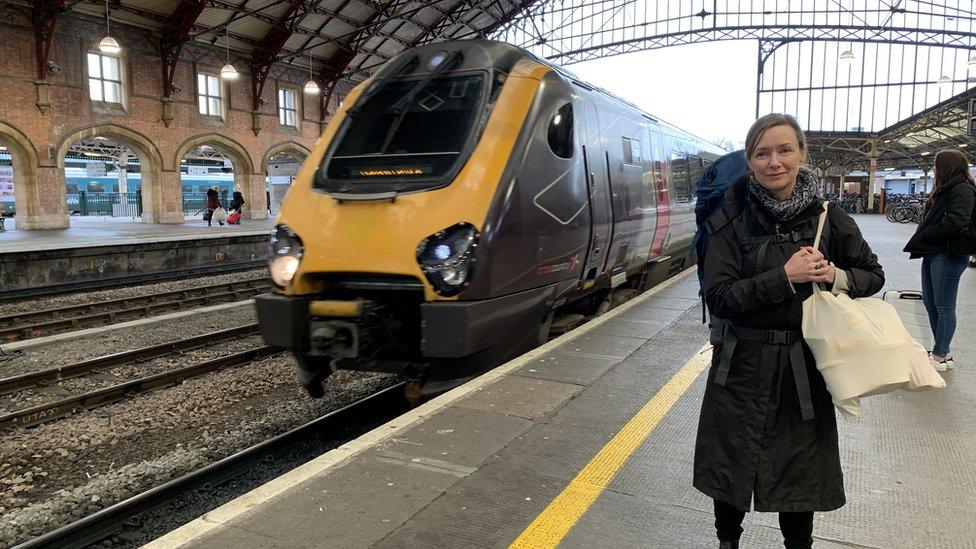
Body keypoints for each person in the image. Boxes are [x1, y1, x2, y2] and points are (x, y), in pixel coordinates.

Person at [695, 113, 885, 549]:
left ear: (802, 154)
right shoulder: (730, 217)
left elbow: (872, 275)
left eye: (784, 150)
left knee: (800, 473)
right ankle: (728, 542)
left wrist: (833, 274)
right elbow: (719, 296)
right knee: (731, 467)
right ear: (750, 160)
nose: (774, 162)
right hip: (739, 366)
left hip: (804, 367)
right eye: (762, 153)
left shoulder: (829, 218)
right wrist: (785, 276)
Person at [903, 149, 976, 371]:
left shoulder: (963, 189)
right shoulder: (947, 188)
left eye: (936, 165)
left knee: (944, 306)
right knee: (931, 302)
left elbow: (958, 221)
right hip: (935, 252)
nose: (934, 169)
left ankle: (940, 355)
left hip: (949, 254)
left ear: (946, 166)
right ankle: (940, 349)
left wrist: (928, 233)